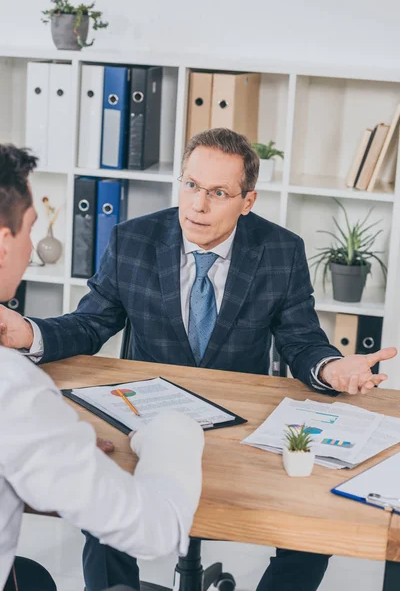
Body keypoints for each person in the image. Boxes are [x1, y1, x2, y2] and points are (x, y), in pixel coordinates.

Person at [0, 129, 396, 591]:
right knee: (105, 526)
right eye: (190, 185)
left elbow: (301, 341)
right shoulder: (134, 240)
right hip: (147, 416)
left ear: (247, 201)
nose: (197, 205)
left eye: (218, 193)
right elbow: (91, 323)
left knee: (310, 533)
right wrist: (28, 332)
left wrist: (331, 368)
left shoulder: (279, 250)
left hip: (242, 426)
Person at [0, 144, 204, 591]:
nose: (34, 245)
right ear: (3, 243)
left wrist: (53, 439)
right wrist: (175, 431)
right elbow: (157, 530)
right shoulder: (11, 388)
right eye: (31, 227)